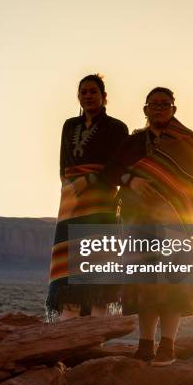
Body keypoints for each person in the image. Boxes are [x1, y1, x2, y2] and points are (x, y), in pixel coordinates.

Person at [105, 87, 193, 366]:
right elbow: (110, 171)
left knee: (172, 283)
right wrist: (132, 180)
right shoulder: (133, 142)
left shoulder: (187, 142)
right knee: (144, 284)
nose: (159, 108)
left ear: (174, 109)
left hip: (176, 220)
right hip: (137, 219)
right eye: (153, 104)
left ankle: (167, 346)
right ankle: (145, 346)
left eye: (165, 104)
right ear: (145, 110)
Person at [45, 74, 129, 321]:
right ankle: (67, 329)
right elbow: (63, 164)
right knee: (69, 265)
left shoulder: (116, 127)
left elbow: (120, 167)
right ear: (78, 97)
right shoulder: (69, 125)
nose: (88, 96)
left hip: (101, 202)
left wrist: (90, 180)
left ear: (104, 96)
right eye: (84, 92)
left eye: (93, 91)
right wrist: (68, 187)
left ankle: (96, 330)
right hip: (70, 200)